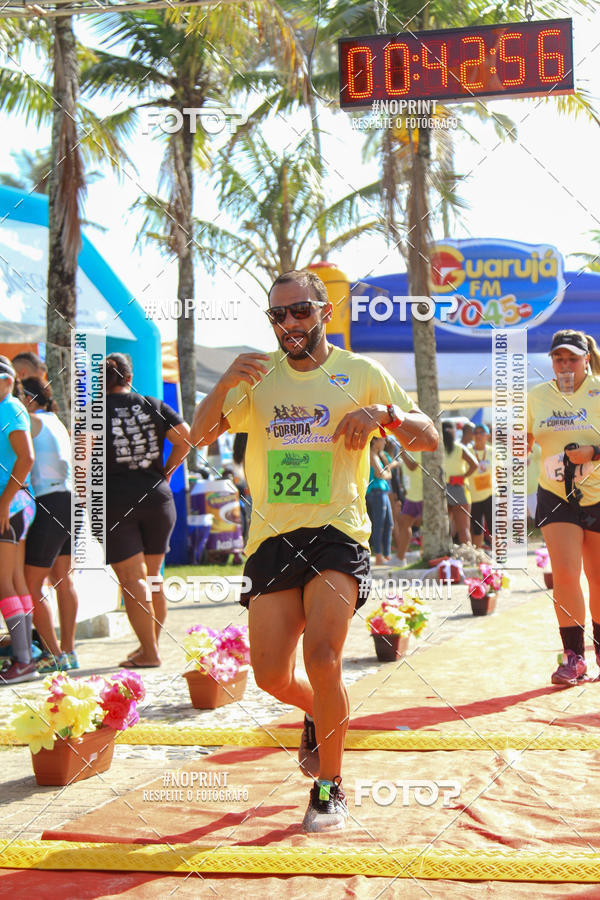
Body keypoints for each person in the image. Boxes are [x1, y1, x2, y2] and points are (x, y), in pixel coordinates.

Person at [190, 269, 438, 833]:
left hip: (336, 533)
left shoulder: (361, 372)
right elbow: (197, 439)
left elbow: (428, 436)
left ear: (325, 311)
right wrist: (226, 378)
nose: (289, 324)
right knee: (271, 676)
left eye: (300, 311)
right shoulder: (257, 376)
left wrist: (387, 416)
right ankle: (314, 709)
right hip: (272, 540)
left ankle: (329, 787)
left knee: (323, 657)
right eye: (278, 315)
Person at [105, 353, 191, 667]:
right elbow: (185, 437)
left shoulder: (94, 412)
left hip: (116, 500)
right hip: (157, 497)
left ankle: (150, 652)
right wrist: (166, 471)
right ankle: (148, 646)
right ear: (129, 377)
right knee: (153, 577)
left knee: (131, 579)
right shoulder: (152, 404)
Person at [527, 329, 600, 686]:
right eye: (559, 359)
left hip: (598, 496)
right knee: (566, 574)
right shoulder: (537, 396)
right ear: (552, 362)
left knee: (598, 578)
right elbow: (522, 439)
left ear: (587, 358)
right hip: (556, 496)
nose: (566, 365)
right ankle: (574, 658)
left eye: (573, 358)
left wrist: (594, 454)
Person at [22, 377, 80, 672]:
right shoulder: (56, 419)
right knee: (63, 579)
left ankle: (53, 654)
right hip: (70, 501)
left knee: (31, 584)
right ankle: (68, 651)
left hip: (49, 502)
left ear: (29, 399)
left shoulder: (30, 420)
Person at [0, 358, 38, 684]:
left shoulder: (9, 409)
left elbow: (27, 458)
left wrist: (3, 503)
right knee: (16, 580)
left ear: (7, 381)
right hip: (19, 502)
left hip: (11, 503)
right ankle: (27, 658)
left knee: (4, 583)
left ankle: (23, 660)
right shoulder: (12, 407)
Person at [442, 421, 478, 544]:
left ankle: (446, 555)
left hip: (443, 489)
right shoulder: (459, 448)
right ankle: (467, 556)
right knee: (463, 529)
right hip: (459, 488)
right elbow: (474, 465)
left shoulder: (437, 449)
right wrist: (463, 477)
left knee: (445, 528)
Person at [366, 436, 394, 565]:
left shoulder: (378, 455)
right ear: (375, 441)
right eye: (382, 439)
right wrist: (388, 474)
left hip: (382, 492)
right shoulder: (372, 455)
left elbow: (384, 471)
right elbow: (380, 474)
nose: (385, 442)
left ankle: (386, 555)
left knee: (389, 524)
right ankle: (378, 555)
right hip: (376, 492)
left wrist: (386, 472)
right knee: (379, 524)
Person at [394, 447, 423, 564]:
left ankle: (423, 556)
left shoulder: (419, 448)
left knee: (425, 527)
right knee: (404, 524)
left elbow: (412, 466)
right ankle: (400, 558)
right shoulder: (406, 449)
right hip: (410, 496)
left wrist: (402, 453)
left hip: (423, 495)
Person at [468, 424, 494, 548]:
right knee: (477, 529)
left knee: (495, 528)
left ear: (487, 436)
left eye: (482, 432)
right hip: (473, 496)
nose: (478, 435)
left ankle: (500, 557)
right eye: (476, 433)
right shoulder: (467, 451)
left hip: (491, 495)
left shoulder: (493, 452)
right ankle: (478, 556)